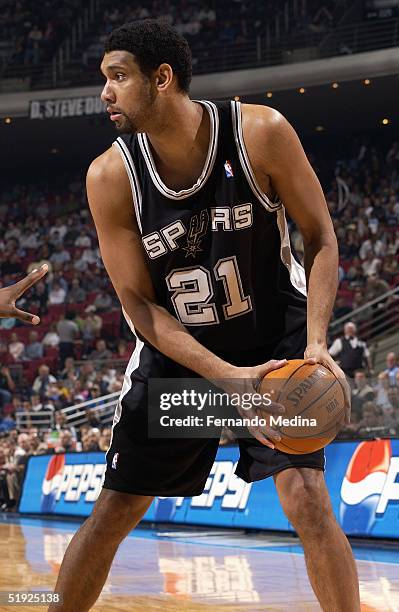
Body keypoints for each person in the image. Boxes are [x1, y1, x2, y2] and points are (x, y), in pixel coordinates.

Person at [49, 20, 358, 612]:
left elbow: (320, 236)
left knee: (308, 497)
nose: (105, 93)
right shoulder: (111, 176)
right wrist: (225, 378)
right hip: (184, 358)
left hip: (275, 344)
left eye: (118, 77)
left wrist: (317, 343)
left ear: (161, 79)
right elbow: (139, 305)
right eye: (103, 79)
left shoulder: (259, 132)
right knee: (116, 508)